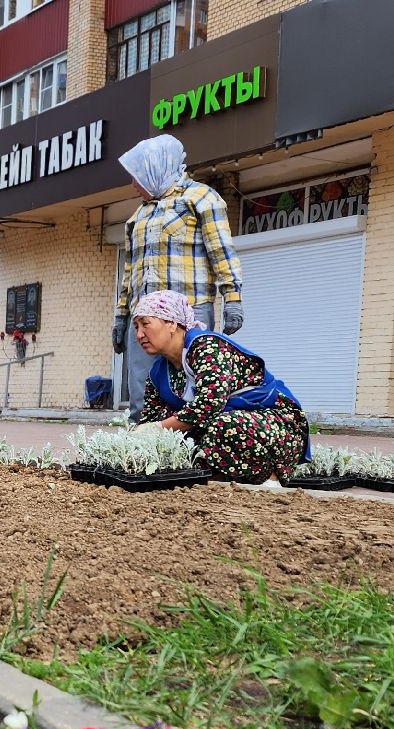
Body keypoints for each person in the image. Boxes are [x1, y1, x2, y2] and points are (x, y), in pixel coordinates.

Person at [113, 133, 245, 421]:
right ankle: (140, 452)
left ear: (155, 168)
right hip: (144, 317)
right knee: (141, 394)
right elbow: (129, 272)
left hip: (187, 313)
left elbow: (221, 252)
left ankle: (189, 454)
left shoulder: (201, 198)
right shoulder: (138, 215)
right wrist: (121, 317)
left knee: (191, 390)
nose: (132, 184)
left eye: (136, 176)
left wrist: (232, 298)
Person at [129, 290, 309, 488]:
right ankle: (225, 480)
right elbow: (150, 420)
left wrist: (159, 428)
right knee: (176, 431)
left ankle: (271, 478)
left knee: (221, 426)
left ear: (172, 324)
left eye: (145, 324)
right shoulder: (157, 372)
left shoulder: (206, 347)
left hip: (277, 425)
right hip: (234, 424)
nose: (139, 334)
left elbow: (209, 404)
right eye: (136, 327)